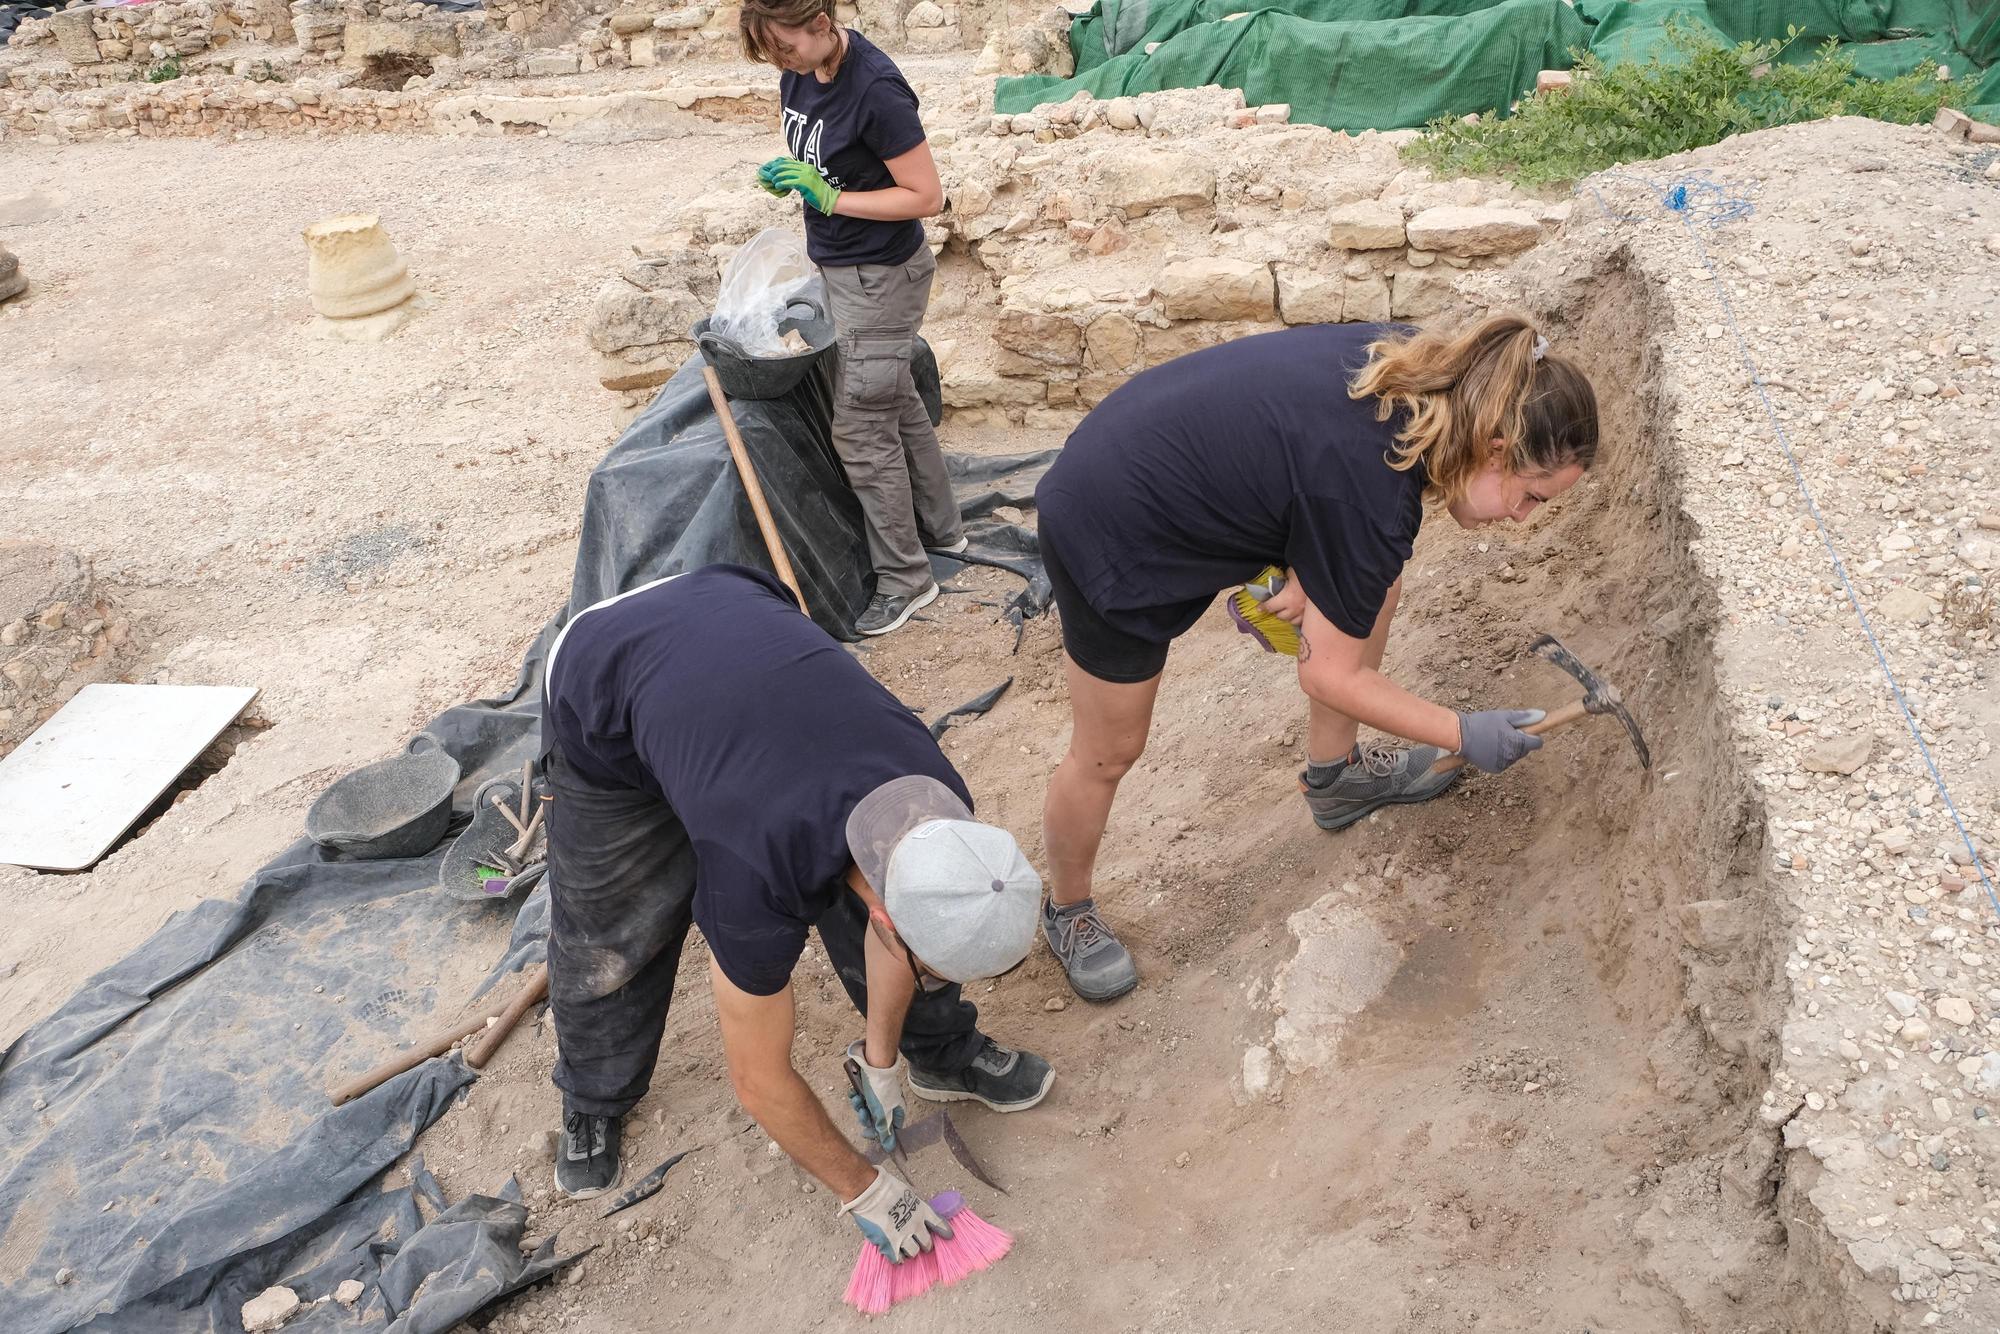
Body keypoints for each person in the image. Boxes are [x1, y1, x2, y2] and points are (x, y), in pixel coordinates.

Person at [1032, 316, 1599, 1001]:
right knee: (1108, 751)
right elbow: (1328, 669)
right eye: (1531, 496)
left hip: (1156, 443)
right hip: (1112, 517)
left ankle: (1336, 778)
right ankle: (1068, 910)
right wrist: (1461, 732)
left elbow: (1303, 455)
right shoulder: (1369, 487)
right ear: (1496, 446)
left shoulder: (1432, 372)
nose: (1523, 518)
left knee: (1375, 575)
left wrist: (1306, 550)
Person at [539, 564, 1054, 1266]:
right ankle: (594, 1096)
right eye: (925, 965)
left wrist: (878, 1061)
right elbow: (758, 1079)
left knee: (894, 899)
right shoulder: (753, 870)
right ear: (892, 924)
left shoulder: (937, 800)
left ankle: (936, 1053)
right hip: (604, 674)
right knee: (611, 929)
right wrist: (864, 1188)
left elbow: (894, 925)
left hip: (734, 620)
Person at [742, 0, 961, 637]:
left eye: (785, 48)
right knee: (894, 403)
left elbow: (926, 195)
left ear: (820, 23)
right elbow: (825, 154)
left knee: (862, 430)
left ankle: (906, 580)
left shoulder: (877, 90)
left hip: (882, 277)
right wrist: (799, 179)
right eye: (771, 54)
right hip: (840, 266)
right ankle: (943, 531)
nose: (782, 65)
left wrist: (834, 197)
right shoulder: (802, 71)